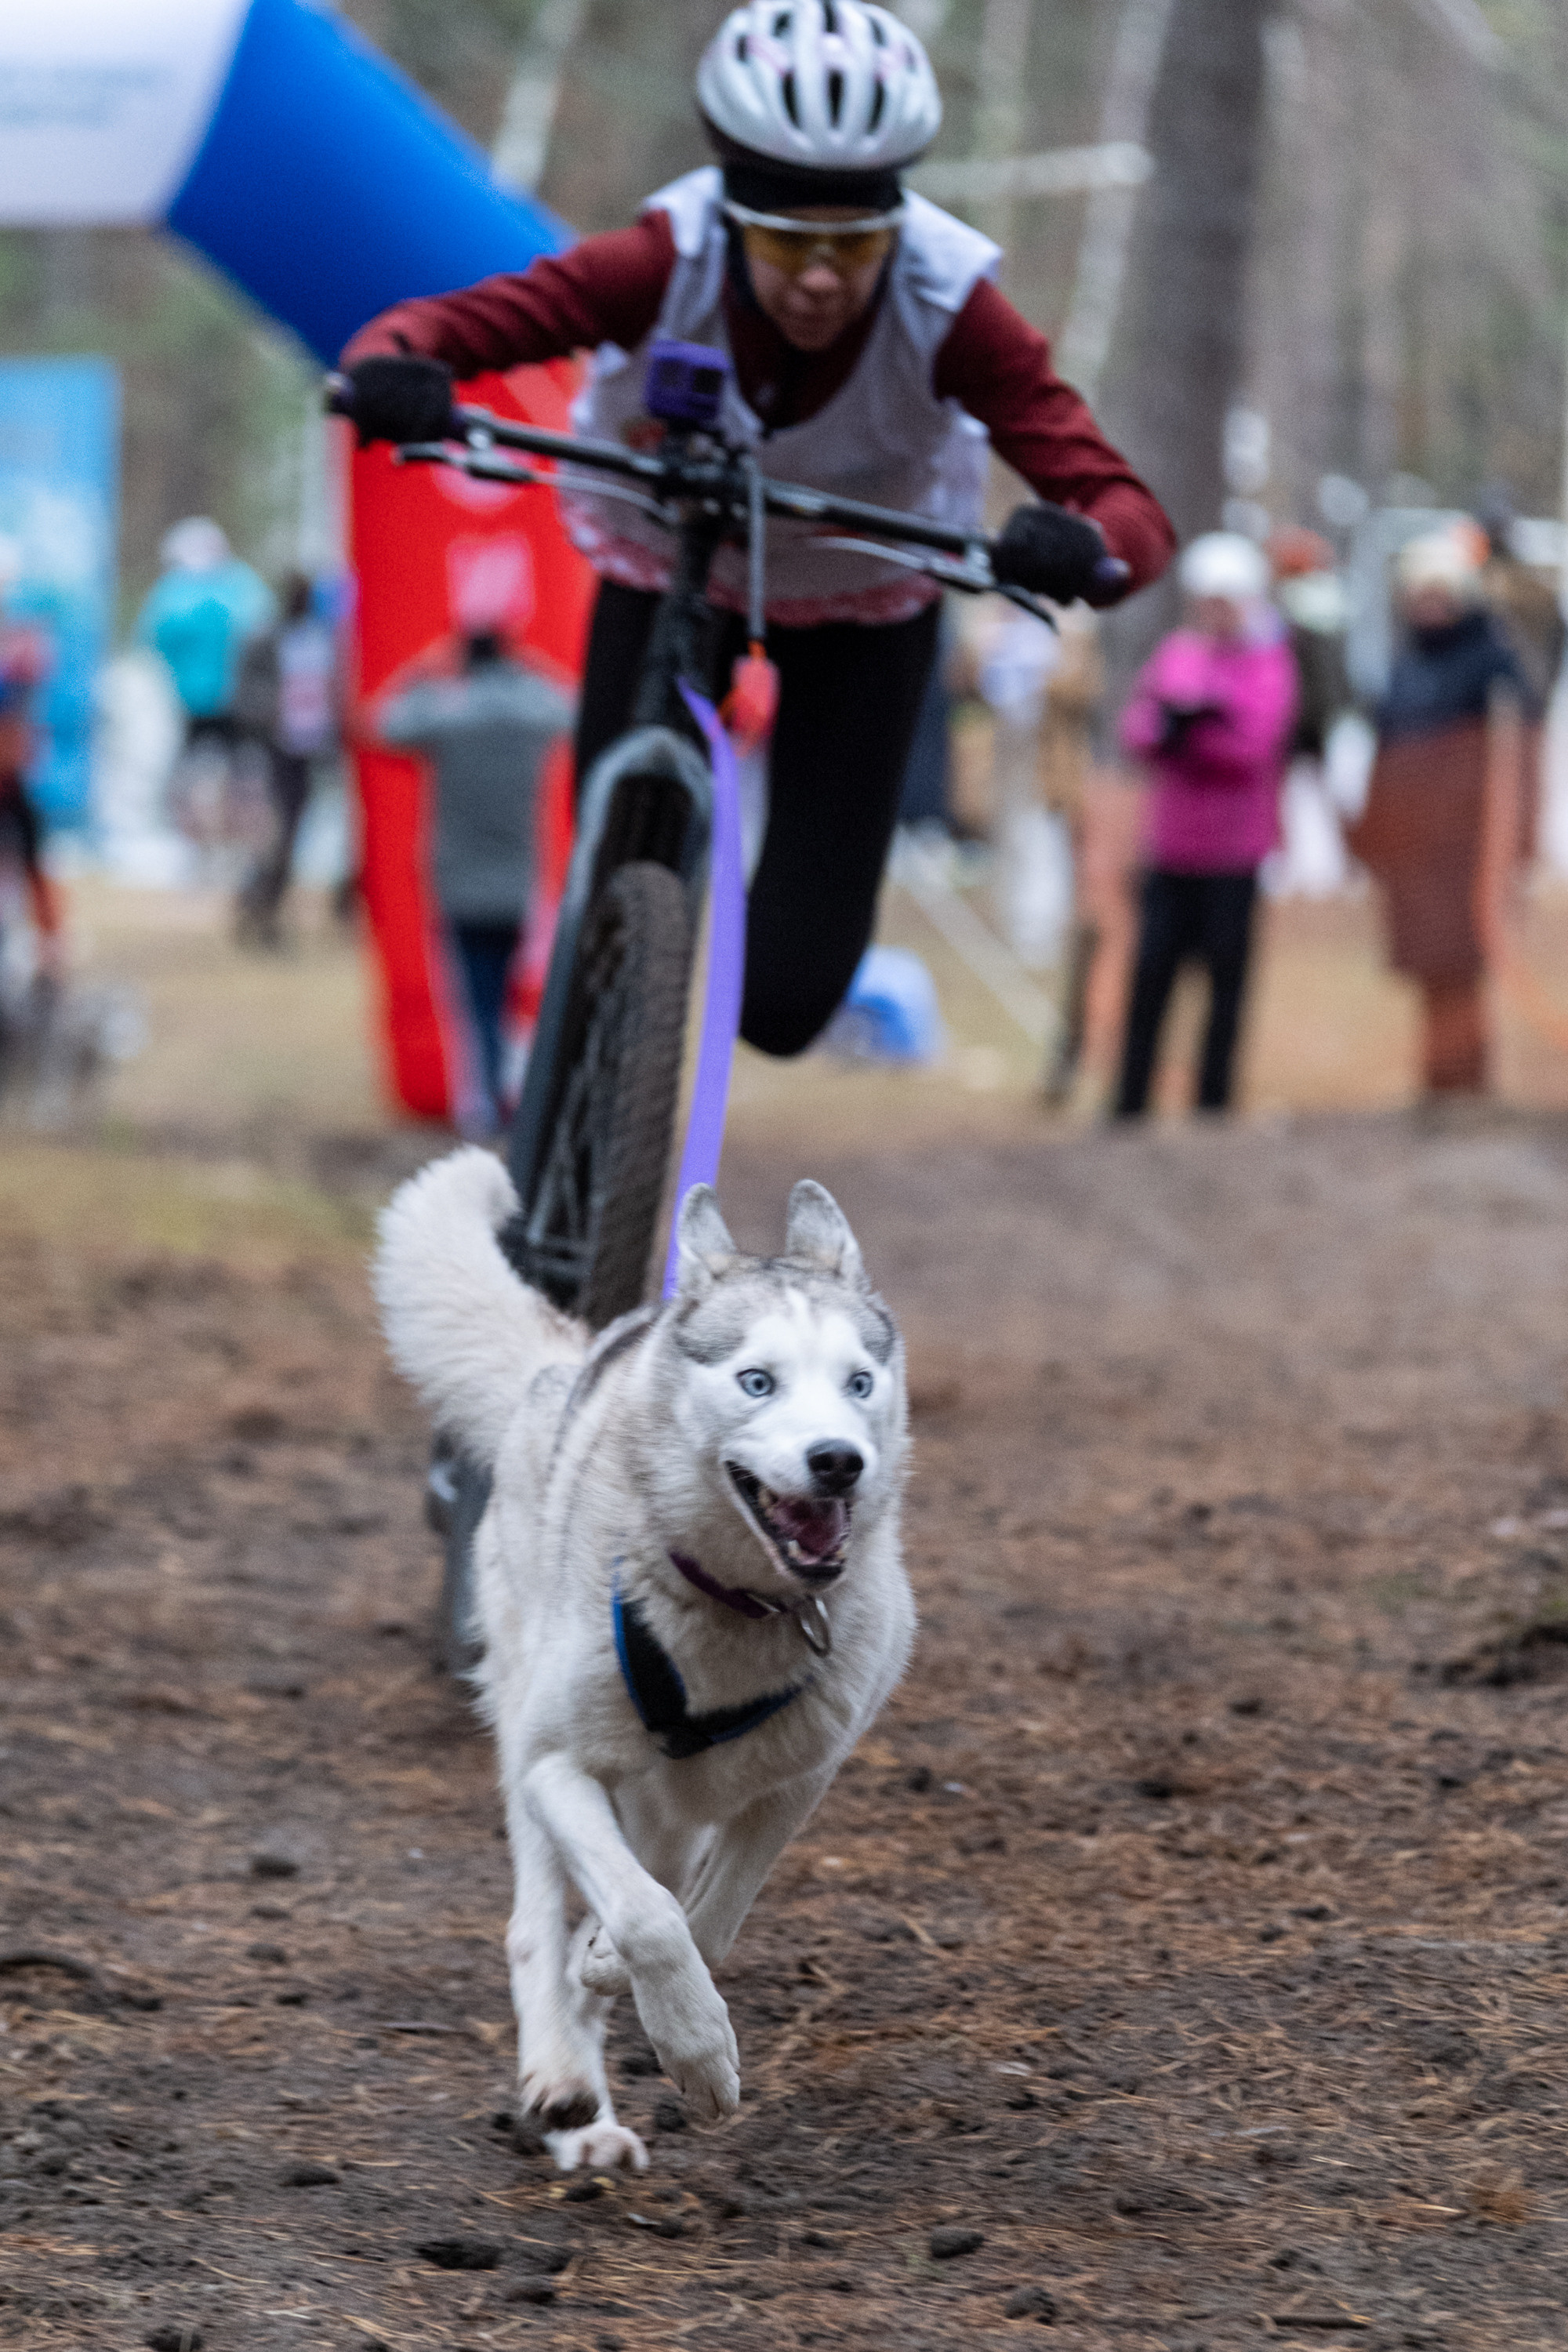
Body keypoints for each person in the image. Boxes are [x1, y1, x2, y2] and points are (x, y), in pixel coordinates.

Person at [339, 0, 1174, 1060]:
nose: (821, 278)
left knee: (781, 1008)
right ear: (734, 218)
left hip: (865, 603)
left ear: (897, 226)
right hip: (675, 565)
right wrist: (395, 370)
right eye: (786, 242)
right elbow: (455, 326)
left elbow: (1125, 508)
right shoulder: (658, 263)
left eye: (856, 243)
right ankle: (577, 1159)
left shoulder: (950, 305)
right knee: (609, 908)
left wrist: (1081, 549)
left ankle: (705, 1008)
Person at [1112, 532, 1298, 1119]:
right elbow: (1136, 725)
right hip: (1171, 845)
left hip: (1234, 849)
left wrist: (1198, 736)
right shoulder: (1179, 653)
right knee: (1150, 979)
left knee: (1224, 983)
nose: (1213, 614)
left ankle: (1213, 1102)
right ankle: (1130, 1101)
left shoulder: (1269, 661)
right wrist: (1167, 731)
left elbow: (1256, 745)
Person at [1348, 532, 1526, 1100]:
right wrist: (1372, 832)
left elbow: (1513, 756)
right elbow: (1386, 752)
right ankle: (1438, 1077)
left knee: (1461, 967)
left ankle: (1467, 1081)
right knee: (1428, 968)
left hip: (1467, 845)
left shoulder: (1492, 664)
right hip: (1414, 847)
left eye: (1440, 596)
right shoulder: (1406, 668)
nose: (1430, 608)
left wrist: (1511, 843)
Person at [375, 630, 573, 1135]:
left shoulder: (449, 716)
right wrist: (528, 663)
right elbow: (574, 707)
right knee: (508, 996)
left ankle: (486, 1101)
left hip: (457, 880)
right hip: (518, 878)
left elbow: (382, 722)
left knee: (475, 999)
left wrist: (422, 670)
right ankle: (509, 1095)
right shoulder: (531, 714)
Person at [234, 572, 339, 948]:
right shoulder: (265, 641)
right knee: (274, 837)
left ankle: (265, 909)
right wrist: (275, 708)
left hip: (308, 751)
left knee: (292, 837)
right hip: (273, 753)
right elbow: (243, 698)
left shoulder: (323, 642)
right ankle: (259, 911)